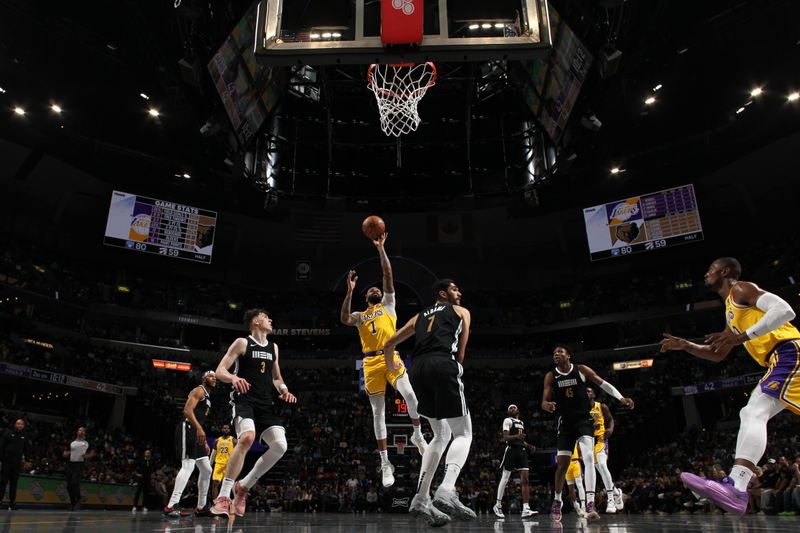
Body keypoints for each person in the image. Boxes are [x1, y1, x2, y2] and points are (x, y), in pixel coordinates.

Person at [661, 257, 800, 515]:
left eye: (710, 269)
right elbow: (718, 354)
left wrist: (741, 337)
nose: (706, 274)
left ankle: (737, 486)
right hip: (779, 359)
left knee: (753, 411)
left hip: (788, 352)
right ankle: (736, 486)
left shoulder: (741, 289)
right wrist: (687, 346)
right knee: (752, 412)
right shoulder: (730, 309)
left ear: (724, 272)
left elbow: (785, 312)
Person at [383, 278, 475, 527]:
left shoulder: (418, 316)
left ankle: (421, 498)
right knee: (464, 433)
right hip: (443, 364)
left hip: (418, 370)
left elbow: (388, 343)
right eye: (456, 289)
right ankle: (446, 489)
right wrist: (453, 369)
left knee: (440, 434)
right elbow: (461, 353)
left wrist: (392, 367)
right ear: (443, 293)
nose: (460, 292)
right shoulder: (461, 311)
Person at [340, 232, 428, 488]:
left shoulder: (389, 305)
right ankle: (384, 461)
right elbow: (344, 318)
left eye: (378, 288)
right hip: (370, 363)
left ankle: (418, 434)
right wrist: (349, 290)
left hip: (391, 357)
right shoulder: (359, 315)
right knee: (377, 413)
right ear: (366, 297)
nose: (377, 288)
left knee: (410, 396)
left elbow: (388, 276)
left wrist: (381, 249)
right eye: (372, 289)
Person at [211, 309, 297, 519]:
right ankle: (223, 497)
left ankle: (244, 486)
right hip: (244, 401)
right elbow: (220, 370)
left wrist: (284, 390)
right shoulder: (242, 343)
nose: (270, 319)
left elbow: (276, 377)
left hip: (265, 403)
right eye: (266, 317)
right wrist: (233, 378)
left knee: (280, 446)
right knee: (247, 438)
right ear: (256, 321)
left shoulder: (273, 347)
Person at [541, 345, 634, 522]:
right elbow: (544, 401)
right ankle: (557, 500)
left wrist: (621, 398)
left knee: (590, 458)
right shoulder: (551, 375)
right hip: (565, 423)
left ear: (568, 355)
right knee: (562, 465)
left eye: (560, 352)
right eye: (554, 353)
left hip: (584, 421)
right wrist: (547, 405)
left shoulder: (581, 370)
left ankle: (590, 503)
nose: (556, 355)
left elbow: (603, 383)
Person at [164, 370, 217, 517]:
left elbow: (199, 420)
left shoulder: (208, 396)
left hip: (197, 433)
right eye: (211, 376)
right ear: (204, 378)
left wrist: (204, 442)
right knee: (188, 466)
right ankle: (171, 505)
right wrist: (199, 429)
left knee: (207, 469)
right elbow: (187, 410)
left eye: (215, 377)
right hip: (187, 428)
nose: (214, 378)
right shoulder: (199, 390)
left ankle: (201, 507)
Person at [493, 404, 537, 519]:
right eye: (510, 408)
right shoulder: (507, 420)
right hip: (511, 451)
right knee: (505, 478)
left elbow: (521, 440)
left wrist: (529, 446)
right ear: (508, 412)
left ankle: (526, 508)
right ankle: (497, 505)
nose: (512, 409)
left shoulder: (521, 422)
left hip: (521, 451)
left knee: (525, 480)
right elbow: (505, 437)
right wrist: (518, 436)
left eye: (514, 407)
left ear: (518, 410)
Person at [586, 387, 624, 513]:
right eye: (585, 391)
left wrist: (611, 430)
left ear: (594, 394)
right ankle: (617, 492)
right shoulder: (581, 410)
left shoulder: (601, 406)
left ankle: (611, 499)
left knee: (602, 465)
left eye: (589, 391)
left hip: (601, 439)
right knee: (602, 472)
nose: (587, 393)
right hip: (589, 442)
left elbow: (610, 420)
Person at [0, 419, 30, 510]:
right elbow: (1, 446)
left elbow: (26, 449)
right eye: (18, 423)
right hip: (6, 461)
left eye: (21, 424)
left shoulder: (25, 436)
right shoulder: (8, 433)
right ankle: (0, 500)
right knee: (3, 481)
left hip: (17, 463)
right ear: (15, 424)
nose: (19, 425)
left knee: (14, 483)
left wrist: (28, 460)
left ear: (23, 426)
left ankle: (12, 503)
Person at [63, 426, 95, 511]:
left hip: (79, 465)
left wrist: (87, 456)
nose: (80, 432)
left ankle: (78, 501)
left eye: (82, 430)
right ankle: (72, 503)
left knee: (74, 483)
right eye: (79, 430)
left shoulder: (87, 443)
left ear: (84, 433)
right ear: (77, 432)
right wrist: (66, 453)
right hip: (70, 464)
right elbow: (65, 452)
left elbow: (92, 453)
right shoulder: (72, 442)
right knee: (69, 486)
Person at [210, 424, 236, 500]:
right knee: (215, 484)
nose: (226, 429)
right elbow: (213, 454)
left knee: (229, 485)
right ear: (222, 429)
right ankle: (215, 503)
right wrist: (209, 465)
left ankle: (231, 502)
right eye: (224, 428)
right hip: (218, 464)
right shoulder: (217, 441)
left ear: (230, 430)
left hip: (229, 465)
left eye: (227, 428)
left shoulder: (234, 440)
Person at [565, 444, 587, 518]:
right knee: (571, 490)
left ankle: (583, 506)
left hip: (575, 463)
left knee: (579, 485)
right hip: (567, 465)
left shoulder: (575, 440)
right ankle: (576, 505)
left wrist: (583, 468)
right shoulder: (561, 442)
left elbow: (580, 452)